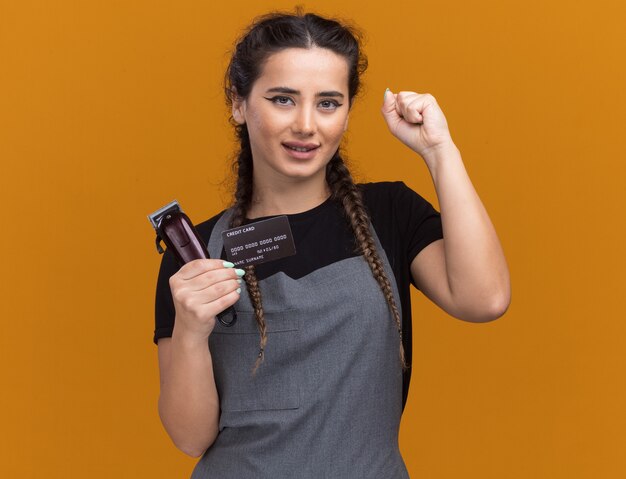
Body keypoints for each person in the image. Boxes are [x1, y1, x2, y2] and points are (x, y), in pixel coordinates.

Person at [153, 10, 510, 478]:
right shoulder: (194, 252)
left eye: (328, 103)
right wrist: (192, 332)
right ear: (238, 104)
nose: (306, 124)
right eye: (283, 99)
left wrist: (439, 151)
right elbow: (190, 437)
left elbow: (484, 299)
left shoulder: (390, 213)